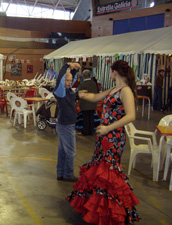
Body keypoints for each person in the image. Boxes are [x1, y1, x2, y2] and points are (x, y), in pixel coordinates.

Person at [67, 60, 140, 225]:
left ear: (115, 72)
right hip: (104, 137)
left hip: (114, 137)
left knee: (110, 173)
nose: (109, 73)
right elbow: (97, 97)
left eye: (110, 71)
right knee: (101, 171)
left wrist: (108, 128)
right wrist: (81, 94)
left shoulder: (125, 91)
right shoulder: (114, 89)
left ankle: (113, 212)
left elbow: (131, 116)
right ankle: (101, 210)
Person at [53, 61, 81, 182]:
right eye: (67, 81)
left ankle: (61, 173)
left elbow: (71, 77)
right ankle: (68, 174)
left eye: (70, 81)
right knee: (71, 152)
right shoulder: (61, 91)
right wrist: (66, 66)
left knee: (63, 151)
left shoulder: (69, 91)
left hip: (65, 124)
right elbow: (60, 79)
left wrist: (74, 69)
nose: (69, 82)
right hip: (66, 126)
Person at [76, 70, 99, 135]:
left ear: (83, 76)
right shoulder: (94, 83)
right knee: (91, 117)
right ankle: (91, 131)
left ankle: (85, 132)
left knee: (85, 118)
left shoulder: (82, 84)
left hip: (85, 104)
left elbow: (79, 94)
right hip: (93, 103)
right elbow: (97, 92)